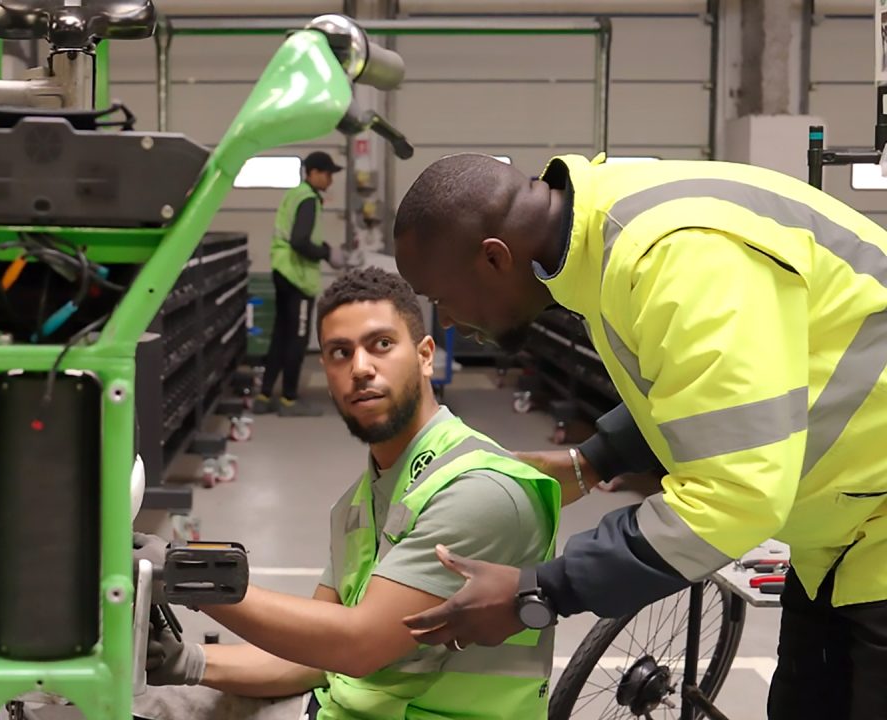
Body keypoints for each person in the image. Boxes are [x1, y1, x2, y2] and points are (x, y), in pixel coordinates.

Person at [391, 152, 887, 720]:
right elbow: (703, 388)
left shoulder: (675, 258)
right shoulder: (605, 237)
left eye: (441, 299)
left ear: (494, 258)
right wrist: (595, 459)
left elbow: (734, 496)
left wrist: (540, 592)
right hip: (842, 534)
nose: (447, 321)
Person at [141, 267, 561, 719]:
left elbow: (356, 645)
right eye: (340, 352)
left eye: (381, 344)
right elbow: (316, 653)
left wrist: (187, 575)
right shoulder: (361, 501)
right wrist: (187, 661)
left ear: (425, 356)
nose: (360, 368)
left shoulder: (479, 492)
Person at [255, 151, 346, 417]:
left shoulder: (294, 194)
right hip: (298, 277)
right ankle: (289, 399)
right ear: (313, 172)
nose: (330, 180)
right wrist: (327, 253)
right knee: (297, 338)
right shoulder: (308, 199)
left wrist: (325, 247)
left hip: (282, 271)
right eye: (327, 174)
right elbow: (300, 241)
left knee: (280, 335)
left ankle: (264, 395)